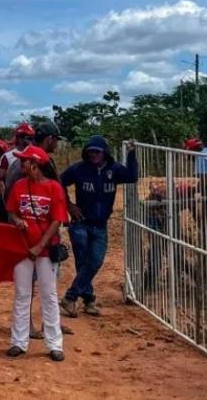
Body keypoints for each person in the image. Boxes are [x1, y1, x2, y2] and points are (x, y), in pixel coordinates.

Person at [59, 136, 138, 318]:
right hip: (80, 223)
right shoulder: (79, 169)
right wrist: (69, 205)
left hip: (100, 225)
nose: (93, 154)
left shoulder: (114, 169)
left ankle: (71, 297)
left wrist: (132, 154)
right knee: (83, 262)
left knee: (95, 261)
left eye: (97, 151)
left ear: (105, 153)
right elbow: (58, 182)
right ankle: (88, 301)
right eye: (90, 151)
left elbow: (132, 177)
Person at [5, 145, 67, 362]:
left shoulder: (54, 188)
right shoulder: (19, 186)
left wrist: (39, 247)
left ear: (34, 164)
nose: (21, 165)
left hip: (44, 250)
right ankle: (18, 342)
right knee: (22, 295)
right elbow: (11, 209)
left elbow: (57, 221)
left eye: (24, 161)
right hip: (22, 248)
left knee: (49, 295)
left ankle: (54, 344)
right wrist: (16, 220)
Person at [0, 124, 34, 224]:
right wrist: (5, 198)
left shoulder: (34, 154)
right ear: (20, 138)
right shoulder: (8, 156)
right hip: (11, 200)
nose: (31, 140)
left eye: (32, 137)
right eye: (28, 137)